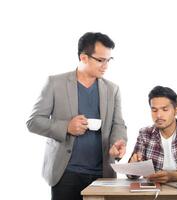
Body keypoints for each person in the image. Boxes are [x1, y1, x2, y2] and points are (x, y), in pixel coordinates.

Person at [27, 32, 127, 200]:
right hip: (66, 173)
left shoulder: (112, 89)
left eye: (109, 60)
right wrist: (66, 127)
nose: (106, 66)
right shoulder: (55, 83)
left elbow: (118, 124)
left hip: (102, 174)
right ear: (84, 57)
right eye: (101, 60)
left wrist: (118, 142)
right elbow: (33, 122)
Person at [128, 86, 177, 183]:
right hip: (154, 193)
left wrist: (176, 175)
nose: (159, 115)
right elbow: (132, 175)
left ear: (176, 111)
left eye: (165, 109)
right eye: (154, 110)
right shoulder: (145, 134)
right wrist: (133, 167)